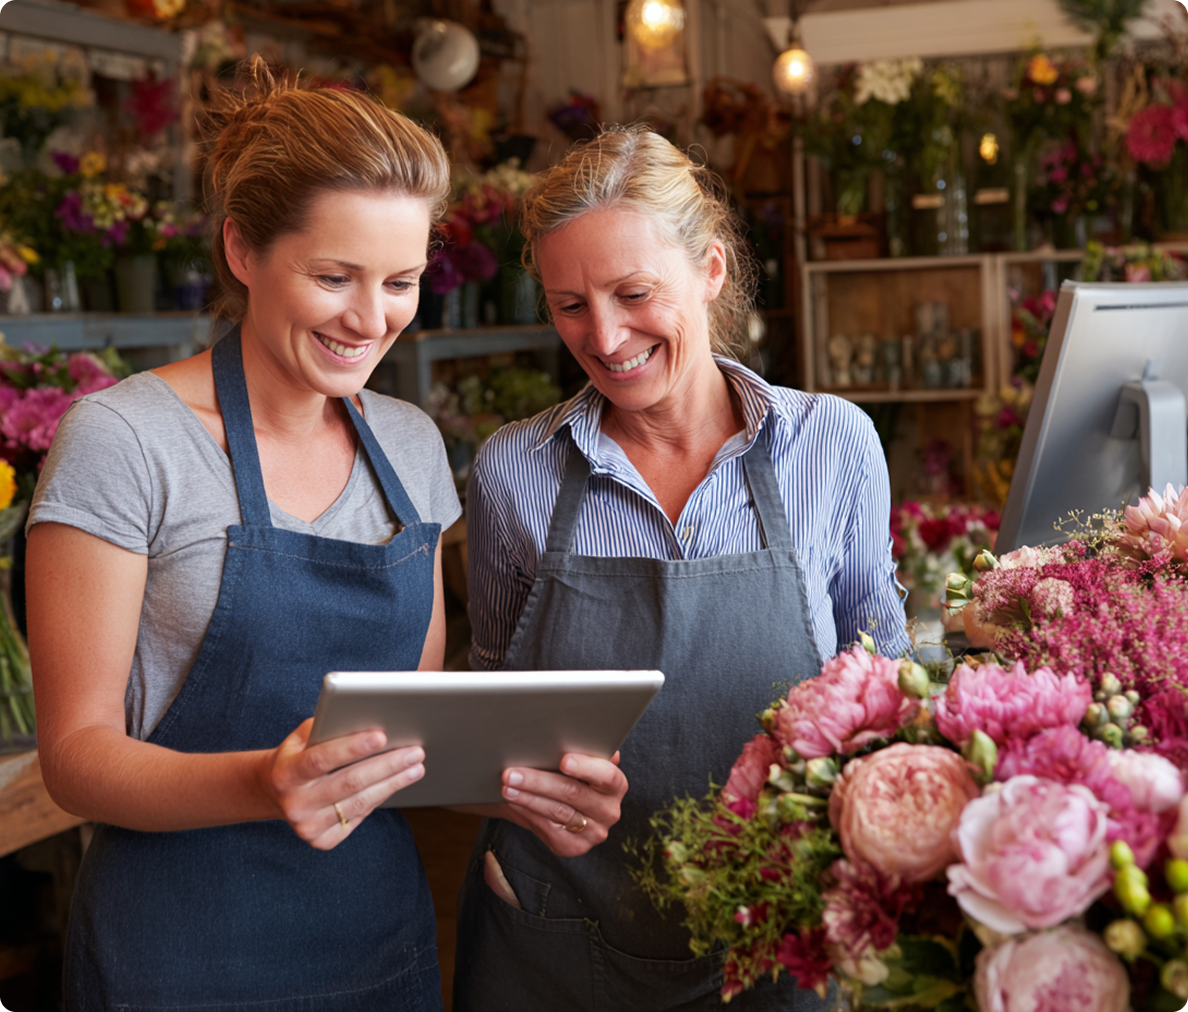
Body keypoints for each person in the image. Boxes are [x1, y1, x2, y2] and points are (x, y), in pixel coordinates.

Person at [28, 60, 464, 1011]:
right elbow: (75, 758)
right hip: (177, 956)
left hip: (379, 942)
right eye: (333, 276)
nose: (370, 318)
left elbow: (412, 722)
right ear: (241, 249)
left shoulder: (411, 444)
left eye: (400, 281)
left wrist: (531, 780)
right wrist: (269, 782)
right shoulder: (124, 441)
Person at [456, 125, 911, 1011]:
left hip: (779, 927)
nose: (606, 335)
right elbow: (493, 707)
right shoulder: (517, 469)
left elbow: (886, 685)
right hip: (557, 932)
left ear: (710, 269)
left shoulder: (832, 444)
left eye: (633, 292)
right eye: (569, 304)